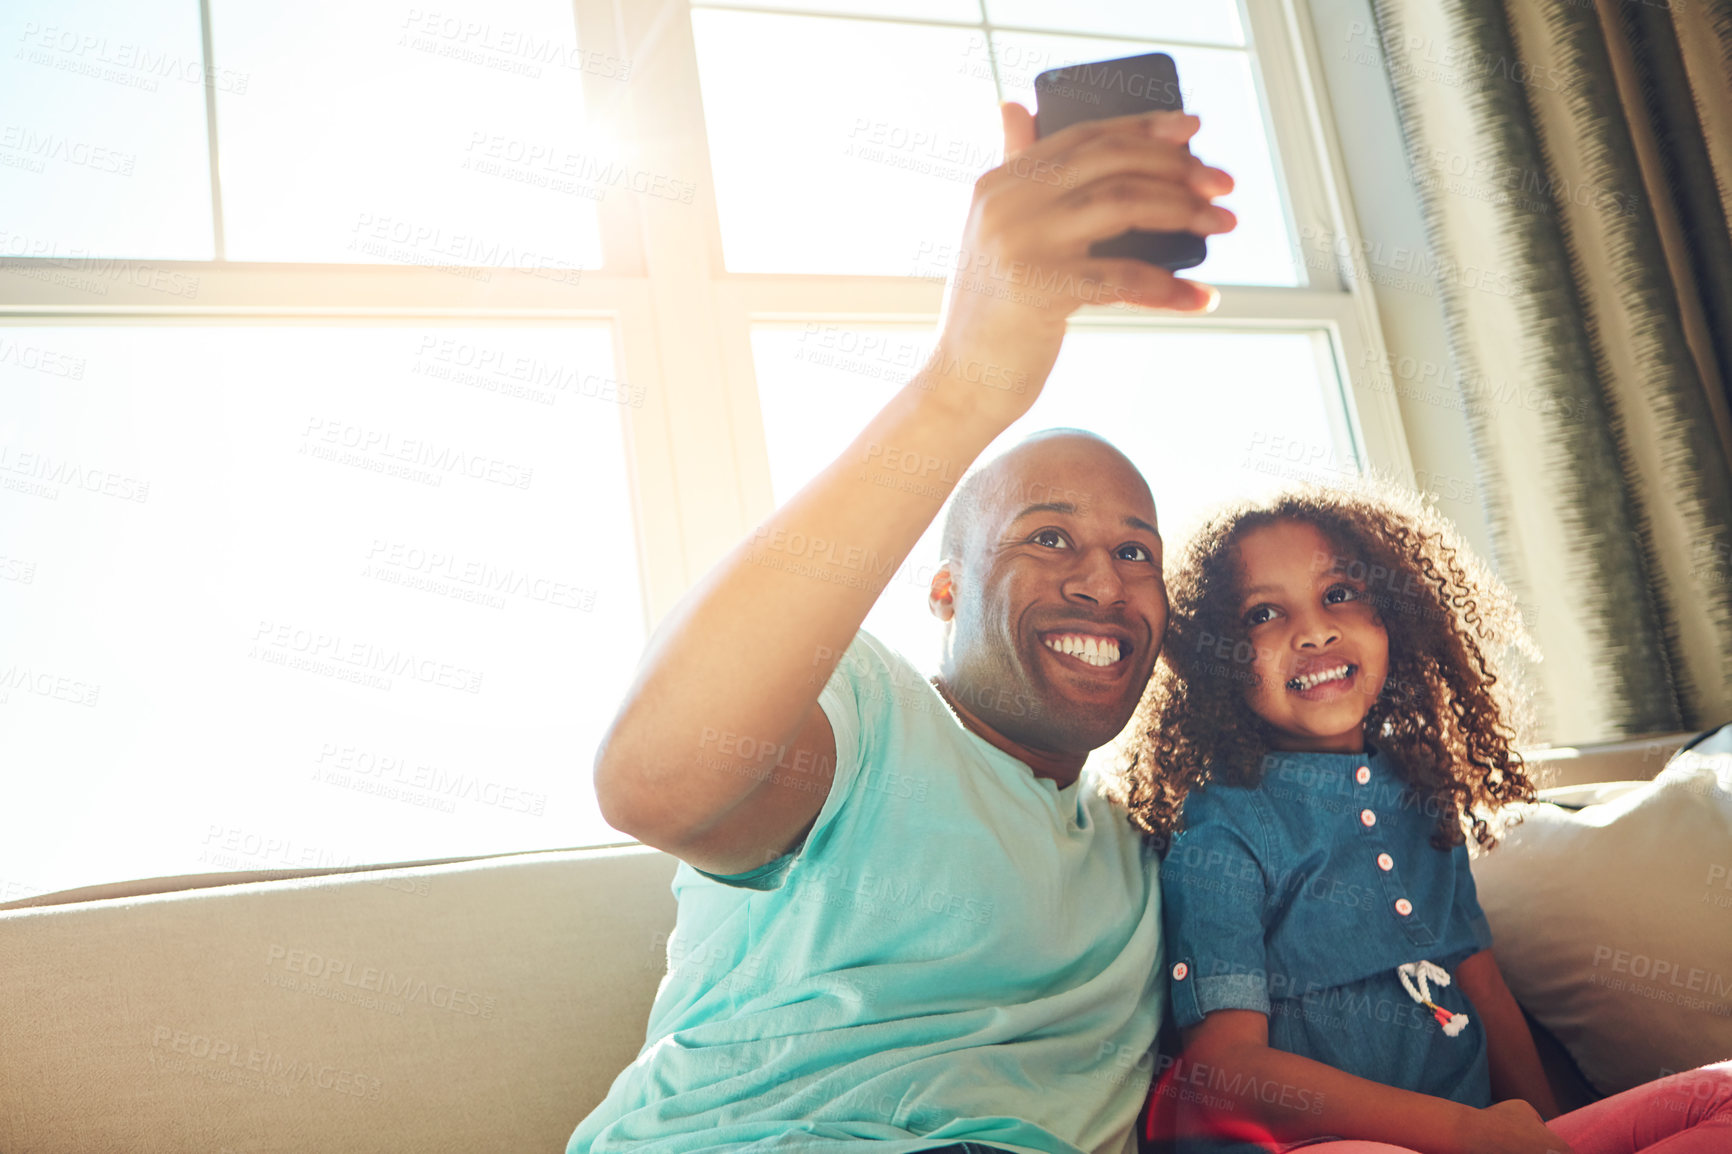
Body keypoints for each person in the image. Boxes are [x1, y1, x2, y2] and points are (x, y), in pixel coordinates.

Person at [566, 101, 1240, 1154]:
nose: (1103, 583)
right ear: (943, 593)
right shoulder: (866, 713)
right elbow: (655, 782)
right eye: (1048, 539)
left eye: (1135, 551)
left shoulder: (1146, 855)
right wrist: (962, 386)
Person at [1114, 486, 1732, 1153]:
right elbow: (1227, 1073)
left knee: (1722, 1092)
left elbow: (1484, 991)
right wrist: (1469, 1130)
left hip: (1483, 1139)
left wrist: (1544, 1134)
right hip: (1322, 1147)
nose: (1315, 630)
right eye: (1263, 612)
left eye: (1339, 593)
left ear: (1392, 619)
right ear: (1217, 661)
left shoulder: (1421, 798)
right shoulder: (1220, 831)